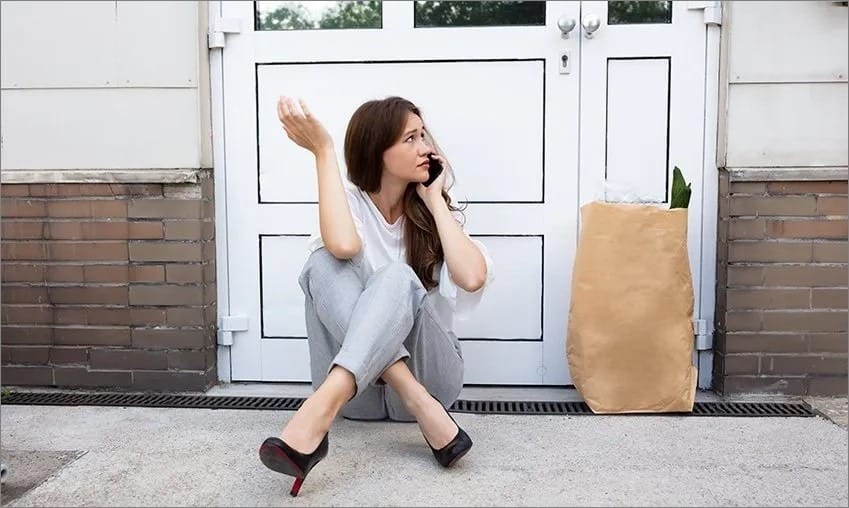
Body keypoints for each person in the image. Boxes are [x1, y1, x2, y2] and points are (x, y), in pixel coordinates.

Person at [259, 95, 494, 496]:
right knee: (322, 262)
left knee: (397, 277)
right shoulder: (347, 206)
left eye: (424, 136)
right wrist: (323, 151)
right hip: (363, 400)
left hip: (433, 379)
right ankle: (412, 398)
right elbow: (343, 246)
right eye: (410, 139)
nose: (426, 148)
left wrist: (435, 201)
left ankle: (318, 411)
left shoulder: (434, 211)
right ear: (377, 151)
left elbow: (472, 277)